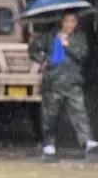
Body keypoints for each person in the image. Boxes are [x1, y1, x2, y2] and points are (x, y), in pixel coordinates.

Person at [28, 10, 97, 162]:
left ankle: (87, 142)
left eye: (73, 21)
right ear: (62, 21)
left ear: (76, 23)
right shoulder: (50, 36)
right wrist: (43, 58)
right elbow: (33, 49)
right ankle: (49, 143)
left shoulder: (79, 37)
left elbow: (82, 54)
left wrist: (67, 45)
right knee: (50, 115)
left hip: (73, 83)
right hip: (52, 82)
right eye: (67, 21)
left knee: (80, 112)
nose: (70, 24)